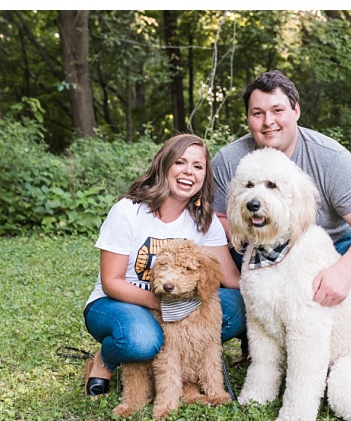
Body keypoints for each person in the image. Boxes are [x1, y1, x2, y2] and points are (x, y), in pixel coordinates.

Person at [210, 70, 351, 313]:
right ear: (248, 117)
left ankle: (341, 338)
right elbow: (214, 220)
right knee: (217, 289)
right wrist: (249, 235)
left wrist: (342, 271)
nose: (268, 122)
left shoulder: (330, 158)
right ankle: (260, 331)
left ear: (296, 111)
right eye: (258, 113)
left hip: (324, 251)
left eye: (278, 111)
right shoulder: (228, 159)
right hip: (258, 250)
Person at [81, 134, 245, 397]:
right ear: (164, 165)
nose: (188, 172)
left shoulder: (204, 220)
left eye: (198, 166)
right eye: (180, 162)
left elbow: (230, 278)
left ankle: (183, 363)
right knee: (140, 340)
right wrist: (163, 305)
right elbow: (111, 282)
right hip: (120, 303)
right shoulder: (128, 211)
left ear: (205, 175)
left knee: (239, 306)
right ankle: (105, 360)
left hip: (182, 305)